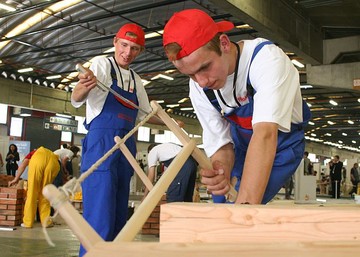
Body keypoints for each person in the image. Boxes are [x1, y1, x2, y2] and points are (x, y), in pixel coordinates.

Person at [162, 9, 311, 204]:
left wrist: (243, 211)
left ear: (224, 43)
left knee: (241, 207)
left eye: (204, 67)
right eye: (191, 75)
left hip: (280, 144)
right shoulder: (199, 88)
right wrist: (220, 170)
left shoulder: (266, 60)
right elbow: (221, 143)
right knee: (221, 202)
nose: (202, 81)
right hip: (241, 145)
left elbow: (266, 134)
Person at [71, 23, 156, 257]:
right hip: (102, 145)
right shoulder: (101, 64)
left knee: (119, 215)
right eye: (124, 45)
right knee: (100, 215)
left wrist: (172, 122)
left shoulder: (137, 80)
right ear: (115, 42)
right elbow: (76, 98)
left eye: (135, 48)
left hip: (126, 146)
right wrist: (81, 87)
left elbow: (146, 113)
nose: (128, 53)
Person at [8, 147, 60, 228]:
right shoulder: (49, 152)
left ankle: (28, 223)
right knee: (44, 193)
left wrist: (16, 178)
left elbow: (23, 165)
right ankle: (46, 222)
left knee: (32, 193)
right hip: (54, 162)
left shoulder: (33, 154)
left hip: (39, 161)